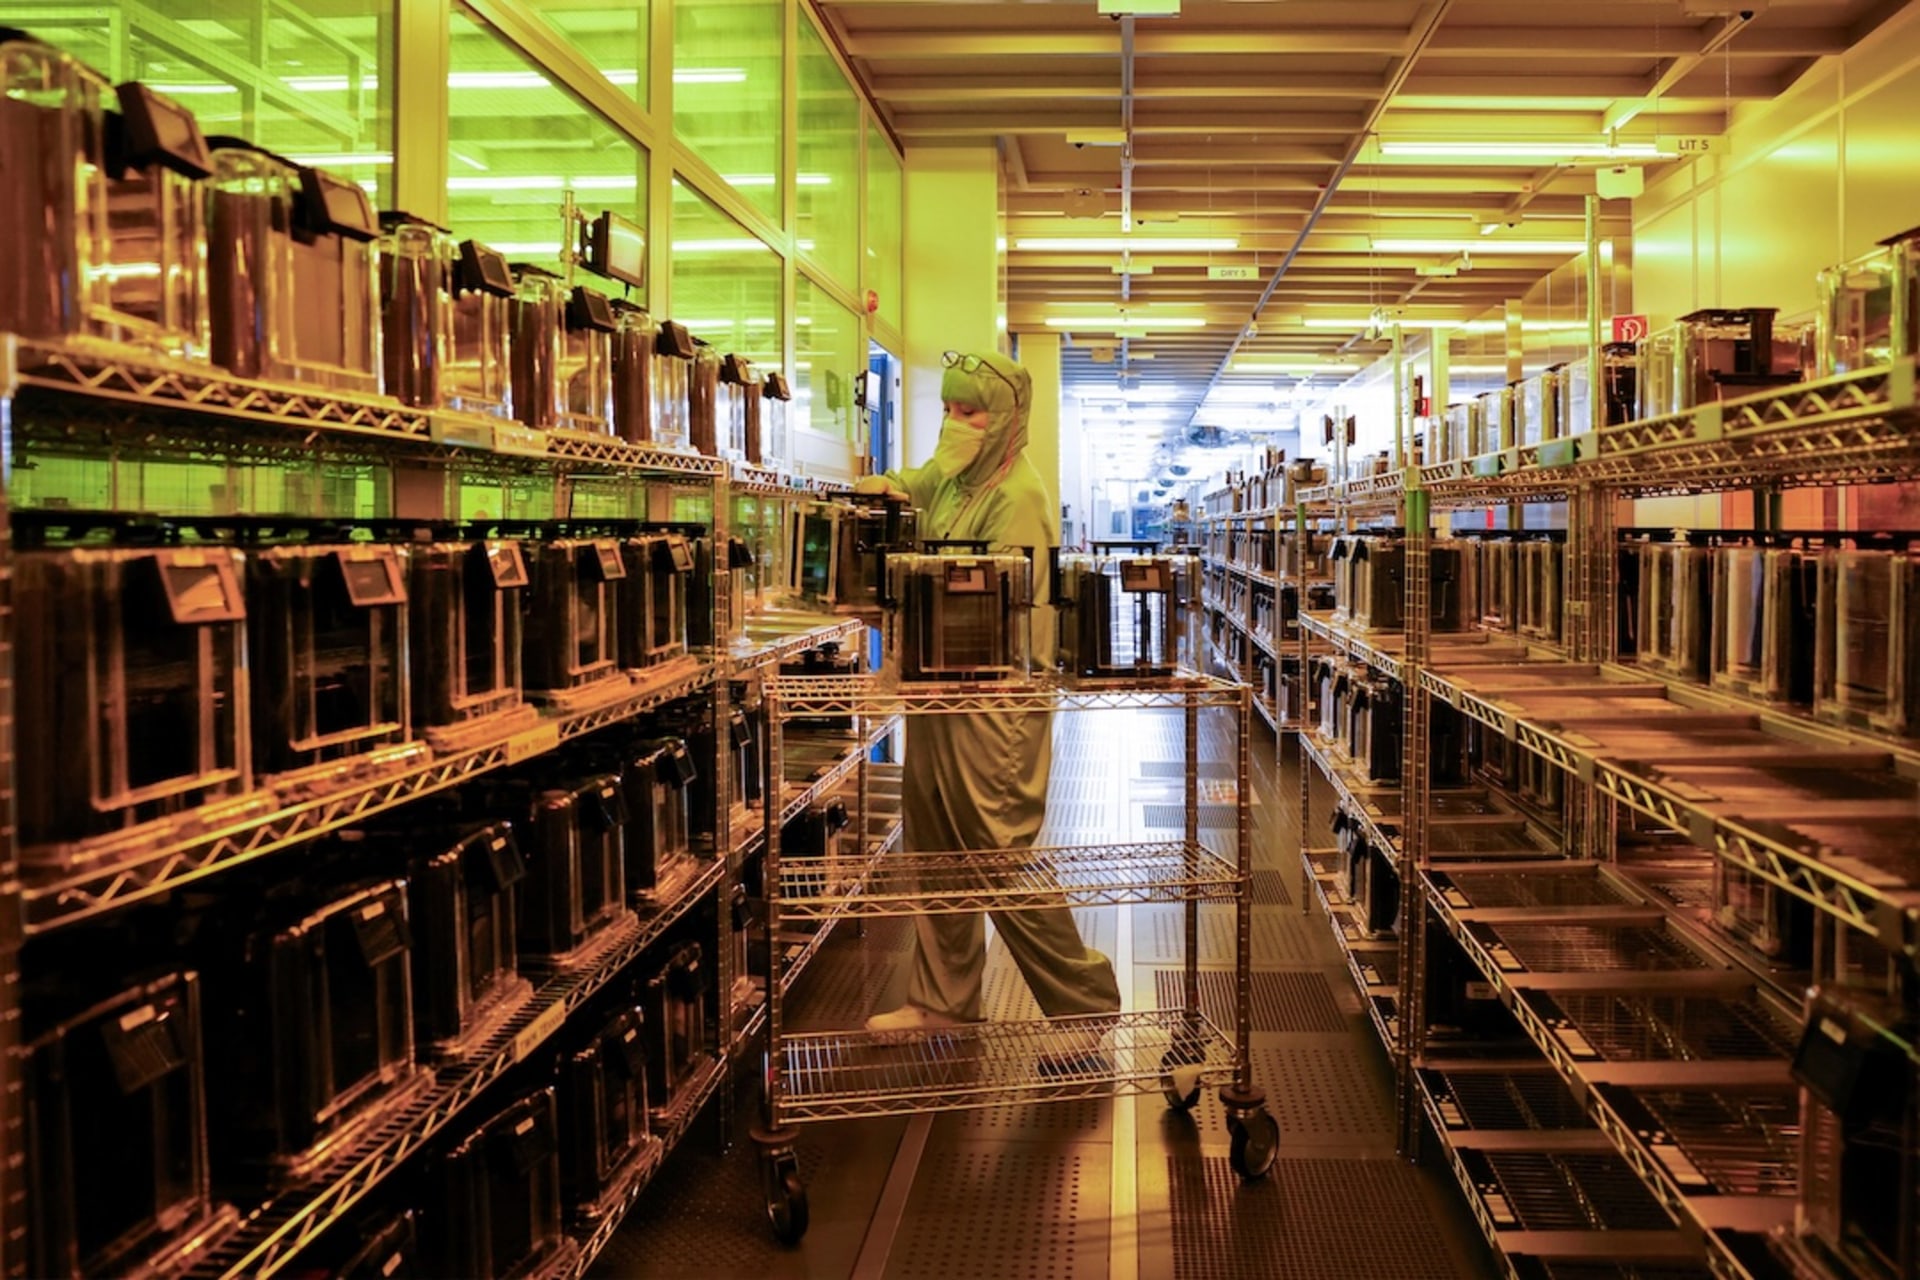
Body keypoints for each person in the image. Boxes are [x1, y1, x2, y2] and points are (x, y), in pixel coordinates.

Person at [855, 349, 1122, 1051]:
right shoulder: (953, 479)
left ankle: (1083, 1004)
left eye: (968, 411)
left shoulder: (1018, 497)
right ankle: (943, 1000)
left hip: (993, 699)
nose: (955, 423)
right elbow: (914, 483)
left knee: (999, 856)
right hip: (939, 691)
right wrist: (882, 485)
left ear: (1003, 419)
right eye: (947, 409)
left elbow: (995, 609)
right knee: (935, 848)